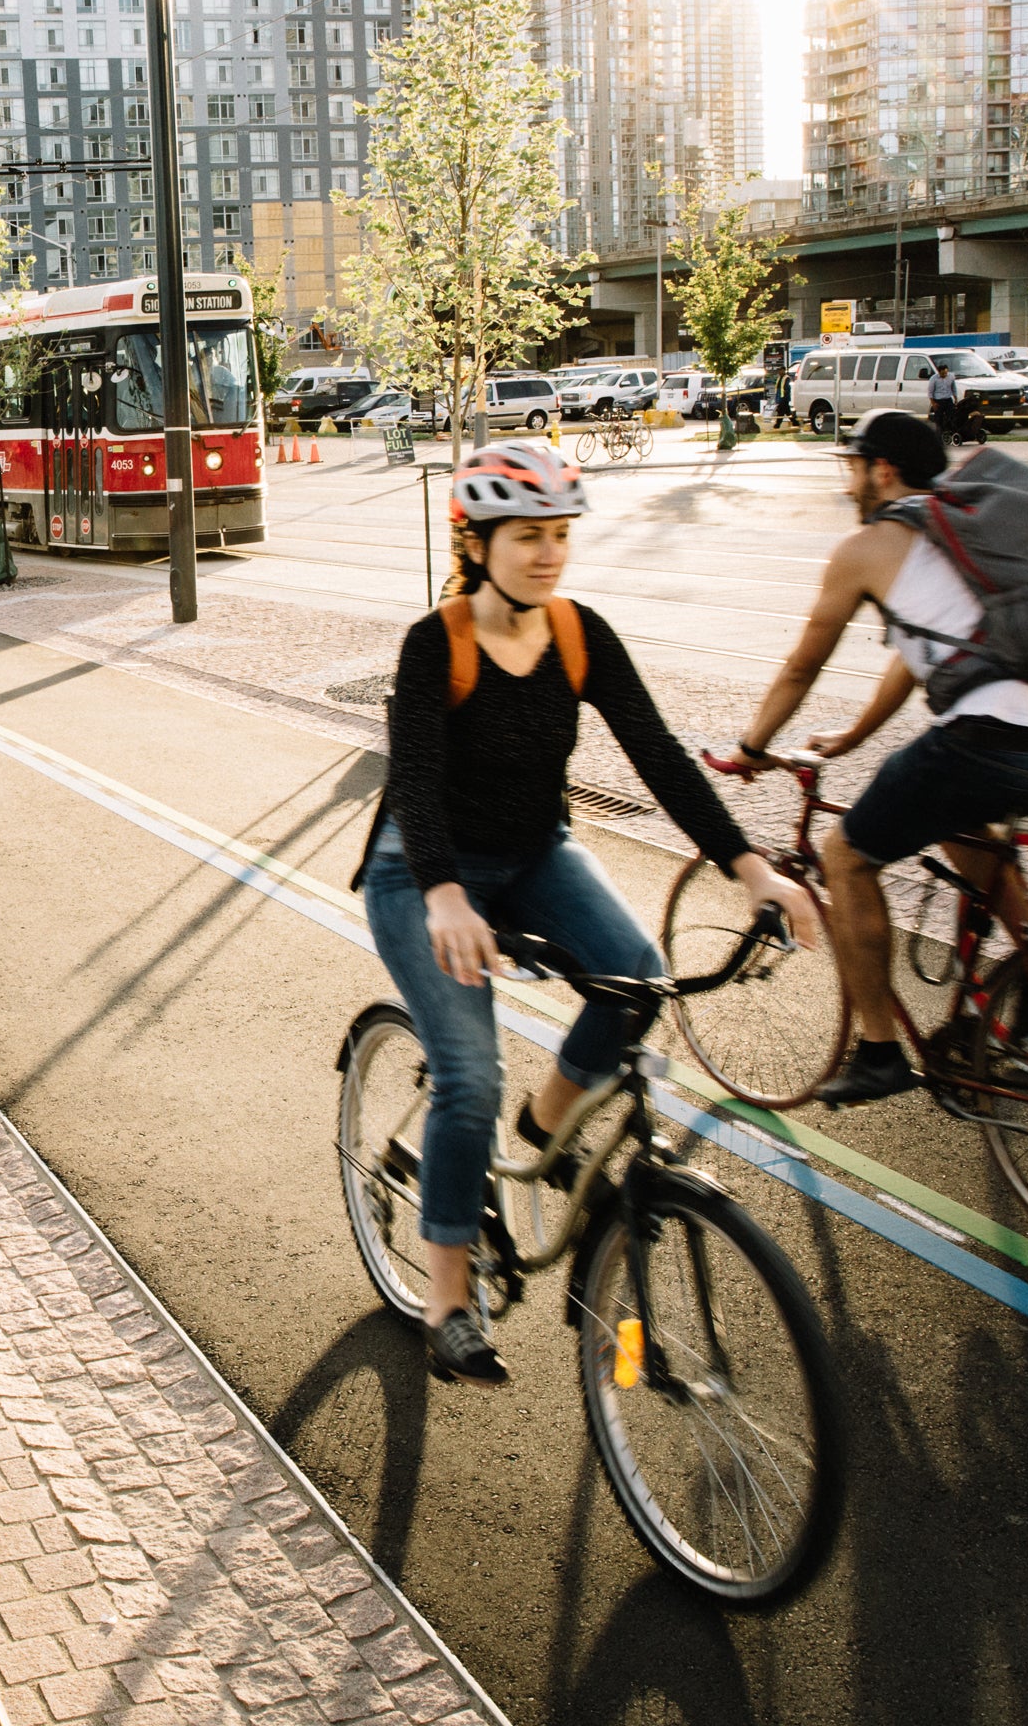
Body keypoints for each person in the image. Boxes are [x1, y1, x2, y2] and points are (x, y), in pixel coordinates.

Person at [356, 443, 817, 1385]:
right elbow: (415, 784)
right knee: (469, 1076)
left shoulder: (578, 634)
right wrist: (445, 892)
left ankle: (546, 1123)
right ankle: (447, 1294)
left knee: (638, 974)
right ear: (477, 543)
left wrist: (750, 867)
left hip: (532, 853)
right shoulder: (433, 643)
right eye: (528, 536)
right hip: (423, 871)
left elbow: (659, 757)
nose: (549, 554)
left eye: (561, 535)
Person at [734, 409, 1028, 1106]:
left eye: (852, 465)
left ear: (882, 470)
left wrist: (751, 747)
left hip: (1000, 742)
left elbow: (801, 667)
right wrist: (852, 737)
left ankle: (879, 1052)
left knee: (847, 857)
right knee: (957, 817)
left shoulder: (869, 545)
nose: (849, 481)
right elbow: (918, 659)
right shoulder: (969, 528)